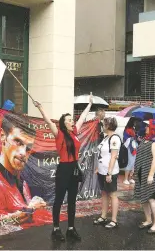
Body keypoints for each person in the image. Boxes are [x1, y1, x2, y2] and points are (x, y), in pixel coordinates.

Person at [33, 93, 93, 242]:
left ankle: (71, 229)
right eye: (69, 120)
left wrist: (89, 105)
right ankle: (56, 228)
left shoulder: (74, 132)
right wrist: (40, 108)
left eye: (72, 119)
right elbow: (48, 121)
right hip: (64, 169)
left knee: (72, 200)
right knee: (59, 199)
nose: (72, 121)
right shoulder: (58, 134)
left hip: (74, 168)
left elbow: (83, 118)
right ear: (63, 123)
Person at [0, 113, 47, 222]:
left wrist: (33, 208)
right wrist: (30, 209)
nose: (23, 153)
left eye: (28, 148)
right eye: (18, 142)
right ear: (2, 136)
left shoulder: (21, 183)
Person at [134, 119, 155, 234]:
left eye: (148, 126)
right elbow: (139, 157)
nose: (145, 128)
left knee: (151, 199)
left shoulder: (154, 142)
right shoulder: (145, 140)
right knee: (144, 198)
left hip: (150, 175)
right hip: (141, 174)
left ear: (153, 129)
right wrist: (134, 170)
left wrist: (150, 175)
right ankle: (148, 220)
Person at [93, 117, 120, 228]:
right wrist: (99, 168)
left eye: (104, 124)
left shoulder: (114, 139)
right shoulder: (105, 138)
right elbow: (102, 155)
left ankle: (114, 220)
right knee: (104, 193)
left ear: (108, 126)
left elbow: (113, 157)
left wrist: (109, 173)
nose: (102, 126)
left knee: (112, 194)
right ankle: (103, 216)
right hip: (102, 170)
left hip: (110, 171)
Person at [122, 118, 138, 185]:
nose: (135, 123)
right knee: (130, 162)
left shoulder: (132, 129)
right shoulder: (128, 130)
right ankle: (126, 178)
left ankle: (130, 178)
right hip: (130, 147)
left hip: (134, 146)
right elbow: (125, 139)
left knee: (133, 163)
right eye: (134, 122)